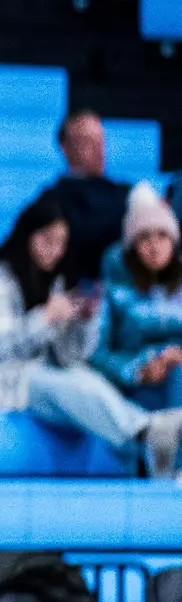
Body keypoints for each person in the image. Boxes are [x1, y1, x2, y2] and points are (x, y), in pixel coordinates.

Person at [0, 192, 182, 476]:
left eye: (61, 244)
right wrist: (47, 317)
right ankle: (145, 431)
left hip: (45, 377)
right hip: (5, 381)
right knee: (67, 384)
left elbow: (71, 357)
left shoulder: (54, 281)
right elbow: (0, 348)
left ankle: (146, 445)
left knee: (82, 378)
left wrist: (83, 322)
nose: (54, 251)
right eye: (47, 240)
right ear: (27, 236)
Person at [92, 184, 182, 430]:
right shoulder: (113, 294)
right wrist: (138, 370)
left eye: (162, 236)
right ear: (132, 246)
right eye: (144, 237)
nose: (154, 246)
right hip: (142, 389)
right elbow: (97, 355)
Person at [44, 109, 131, 287]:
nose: (99, 148)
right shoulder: (50, 203)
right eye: (88, 141)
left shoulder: (128, 194)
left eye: (101, 140)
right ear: (65, 147)